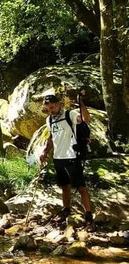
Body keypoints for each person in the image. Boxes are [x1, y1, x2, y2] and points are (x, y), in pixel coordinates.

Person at [39, 91, 95, 231]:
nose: (50, 111)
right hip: (58, 158)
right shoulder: (50, 120)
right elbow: (52, 137)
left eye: (52, 107)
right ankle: (66, 210)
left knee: (81, 187)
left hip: (72, 156)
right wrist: (45, 152)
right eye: (48, 109)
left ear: (58, 104)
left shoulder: (70, 115)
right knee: (65, 186)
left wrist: (80, 102)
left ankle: (88, 217)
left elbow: (86, 119)